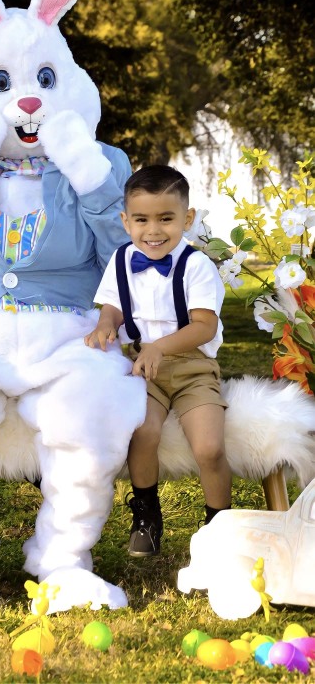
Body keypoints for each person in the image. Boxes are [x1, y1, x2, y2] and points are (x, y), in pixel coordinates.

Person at [85, 164, 231, 557]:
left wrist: (159, 347)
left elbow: (203, 326)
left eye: (166, 219)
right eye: (142, 220)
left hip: (192, 368)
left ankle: (219, 524)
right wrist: (105, 323)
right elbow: (113, 306)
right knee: (143, 434)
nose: (153, 230)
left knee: (209, 447)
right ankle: (147, 515)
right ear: (125, 221)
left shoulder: (196, 265)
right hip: (142, 372)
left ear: (187, 218)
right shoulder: (121, 261)